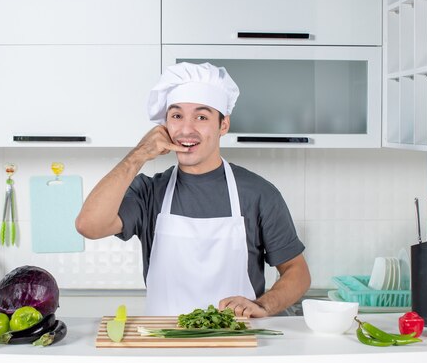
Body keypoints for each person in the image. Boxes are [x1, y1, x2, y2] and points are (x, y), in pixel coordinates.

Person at [75, 62, 310, 317]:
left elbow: (297, 271)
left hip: (237, 344)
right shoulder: (149, 192)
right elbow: (89, 225)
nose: (186, 129)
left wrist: (264, 305)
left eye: (201, 117)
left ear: (223, 125)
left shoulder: (259, 194)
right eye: (176, 116)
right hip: (165, 344)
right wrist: (139, 155)